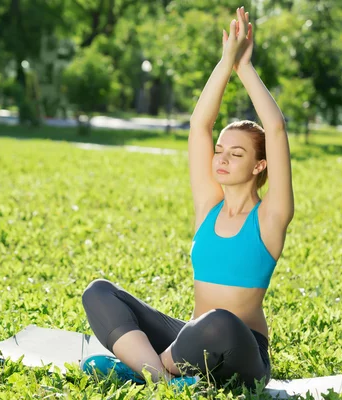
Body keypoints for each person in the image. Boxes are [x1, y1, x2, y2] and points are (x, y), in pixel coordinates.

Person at [80, 6, 295, 392]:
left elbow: (276, 129)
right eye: (220, 150)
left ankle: (143, 370)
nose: (223, 158)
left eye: (238, 154)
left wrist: (244, 68)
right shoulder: (208, 208)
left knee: (220, 320)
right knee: (99, 292)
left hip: (238, 349)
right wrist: (225, 60)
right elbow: (199, 125)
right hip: (190, 340)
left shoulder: (270, 217)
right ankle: (162, 377)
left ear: (261, 165)